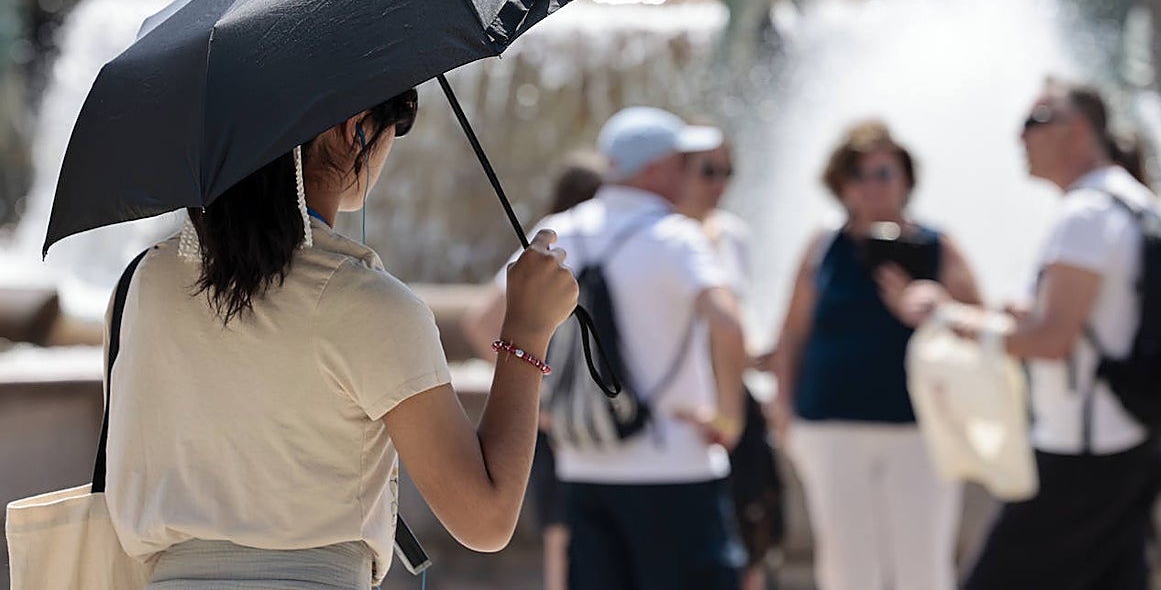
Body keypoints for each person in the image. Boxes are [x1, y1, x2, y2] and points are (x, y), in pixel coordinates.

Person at [103, 88, 580, 589]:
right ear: (355, 126)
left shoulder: (143, 280)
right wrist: (527, 329)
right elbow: (486, 518)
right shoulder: (367, 303)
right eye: (400, 123)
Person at [890, 79, 1161, 590]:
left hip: (1081, 454)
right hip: (1131, 442)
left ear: (1079, 129)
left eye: (1035, 122)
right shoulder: (1133, 201)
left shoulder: (1084, 214)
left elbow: (1052, 341)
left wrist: (950, 318)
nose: (1021, 137)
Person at [495, 106, 748, 590]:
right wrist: (728, 419)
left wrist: (544, 402)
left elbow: (490, 319)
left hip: (583, 463)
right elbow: (729, 325)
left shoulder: (560, 228)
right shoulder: (678, 237)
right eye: (684, 162)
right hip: (676, 465)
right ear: (656, 168)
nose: (691, 174)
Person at [769, 119, 982, 590]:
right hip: (831, 425)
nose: (872, 186)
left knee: (922, 565)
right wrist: (783, 407)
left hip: (919, 427)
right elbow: (792, 334)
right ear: (840, 185)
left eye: (883, 173)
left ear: (906, 179)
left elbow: (982, 325)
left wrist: (932, 307)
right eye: (859, 175)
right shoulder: (823, 246)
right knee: (847, 567)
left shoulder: (937, 246)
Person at [462, 151, 607, 590]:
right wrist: (537, 385)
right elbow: (483, 319)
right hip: (568, 422)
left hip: (563, 420)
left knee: (564, 542)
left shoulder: (563, 239)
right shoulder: (561, 241)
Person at [677, 134, 781, 590]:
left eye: (727, 172)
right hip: (684, 407)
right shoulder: (660, 234)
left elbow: (739, 324)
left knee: (752, 533)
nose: (719, 183)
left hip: (732, 402)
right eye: (707, 170)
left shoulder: (734, 234)